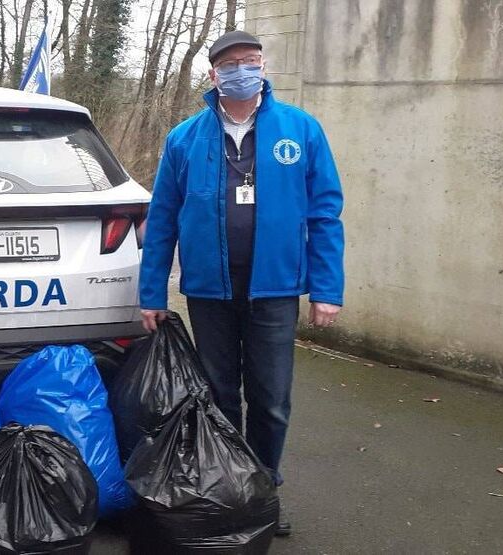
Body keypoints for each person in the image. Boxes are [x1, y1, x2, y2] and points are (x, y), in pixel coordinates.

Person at [138, 30, 345, 537]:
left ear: (263, 67)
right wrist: (153, 293)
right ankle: (230, 493)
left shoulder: (301, 130)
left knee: (271, 398)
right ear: (213, 74)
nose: (240, 70)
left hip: (274, 288)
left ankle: (265, 491)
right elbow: (163, 217)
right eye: (229, 64)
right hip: (210, 290)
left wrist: (327, 288)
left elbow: (324, 214)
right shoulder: (184, 138)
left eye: (249, 61)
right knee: (219, 395)